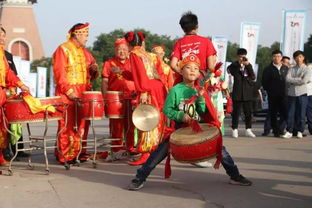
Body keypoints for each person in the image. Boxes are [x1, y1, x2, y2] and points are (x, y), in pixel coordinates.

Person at [127, 54, 252, 190]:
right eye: (188, 67)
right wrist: (181, 116)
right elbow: (167, 110)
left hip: (198, 127)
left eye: (195, 68)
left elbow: (203, 111)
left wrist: (200, 99)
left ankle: (234, 175)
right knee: (159, 153)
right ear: (181, 71)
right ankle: (140, 177)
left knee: (220, 148)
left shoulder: (199, 90)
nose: (192, 70)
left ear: (199, 73)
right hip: (179, 129)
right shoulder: (175, 90)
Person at [170, 11, 217, 168]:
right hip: (199, 86)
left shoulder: (179, 43)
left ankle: (185, 153)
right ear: (197, 26)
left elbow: (172, 64)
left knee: (185, 121)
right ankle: (200, 154)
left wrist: (184, 74)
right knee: (205, 119)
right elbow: (211, 66)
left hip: (183, 88)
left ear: (183, 28)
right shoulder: (206, 42)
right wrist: (199, 77)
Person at [53, 23, 99, 163]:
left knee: (81, 124)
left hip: (83, 90)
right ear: (77, 34)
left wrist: (94, 69)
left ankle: (78, 152)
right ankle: (65, 155)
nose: (87, 38)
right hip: (68, 92)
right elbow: (59, 72)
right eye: (85, 35)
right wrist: (69, 91)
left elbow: (92, 72)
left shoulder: (85, 52)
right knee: (67, 124)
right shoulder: (63, 49)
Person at [124, 31, 167, 166]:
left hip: (148, 88)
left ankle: (146, 153)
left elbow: (141, 74)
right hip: (158, 87)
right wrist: (123, 73)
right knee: (156, 118)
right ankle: (155, 149)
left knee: (146, 119)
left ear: (128, 43)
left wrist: (143, 91)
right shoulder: (148, 54)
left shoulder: (134, 54)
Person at [101, 37, 136, 159]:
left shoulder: (133, 62)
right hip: (115, 98)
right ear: (115, 50)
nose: (122, 52)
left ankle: (130, 148)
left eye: (124, 49)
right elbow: (105, 81)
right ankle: (117, 149)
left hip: (131, 97)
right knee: (116, 125)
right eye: (119, 49)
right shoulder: (109, 63)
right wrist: (105, 98)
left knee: (131, 124)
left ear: (128, 50)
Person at [0, 26, 29, 160]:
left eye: (3, 35)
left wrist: (20, 84)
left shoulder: (4, 55)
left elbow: (9, 73)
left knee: (5, 124)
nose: (2, 38)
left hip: (4, 93)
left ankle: (4, 155)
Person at [227, 48, 256, 138]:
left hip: (247, 92)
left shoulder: (248, 64)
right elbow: (232, 72)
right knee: (236, 112)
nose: (242, 58)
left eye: (243, 56)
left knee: (248, 112)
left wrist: (247, 66)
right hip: (238, 92)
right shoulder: (234, 65)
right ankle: (234, 129)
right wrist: (239, 65)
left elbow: (253, 76)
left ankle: (248, 129)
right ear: (237, 56)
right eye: (240, 57)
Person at [283, 50, 311, 138]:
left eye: (300, 57)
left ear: (303, 58)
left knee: (301, 114)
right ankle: (289, 131)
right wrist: (299, 79)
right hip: (291, 94)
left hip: (302, 93)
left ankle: (300, 130)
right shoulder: (291, 68)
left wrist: (294, 80)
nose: (298, 59)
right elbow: (287, 79)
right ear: (294, 59)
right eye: (296, 57)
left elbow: (304, 80)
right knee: (290, 114)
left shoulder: (307, 69)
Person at [262, 50, 288, 137]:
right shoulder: (268, 69)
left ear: (281, 57)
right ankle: (276, 131)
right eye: (275, 56)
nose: (276, 58)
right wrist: (270, 91)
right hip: (273, 95)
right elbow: (264, 82)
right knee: (273, 113)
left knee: (285, 113)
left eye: (278, 56)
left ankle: (280, 129)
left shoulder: (285, 68)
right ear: (272, 57)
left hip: (284, 95)